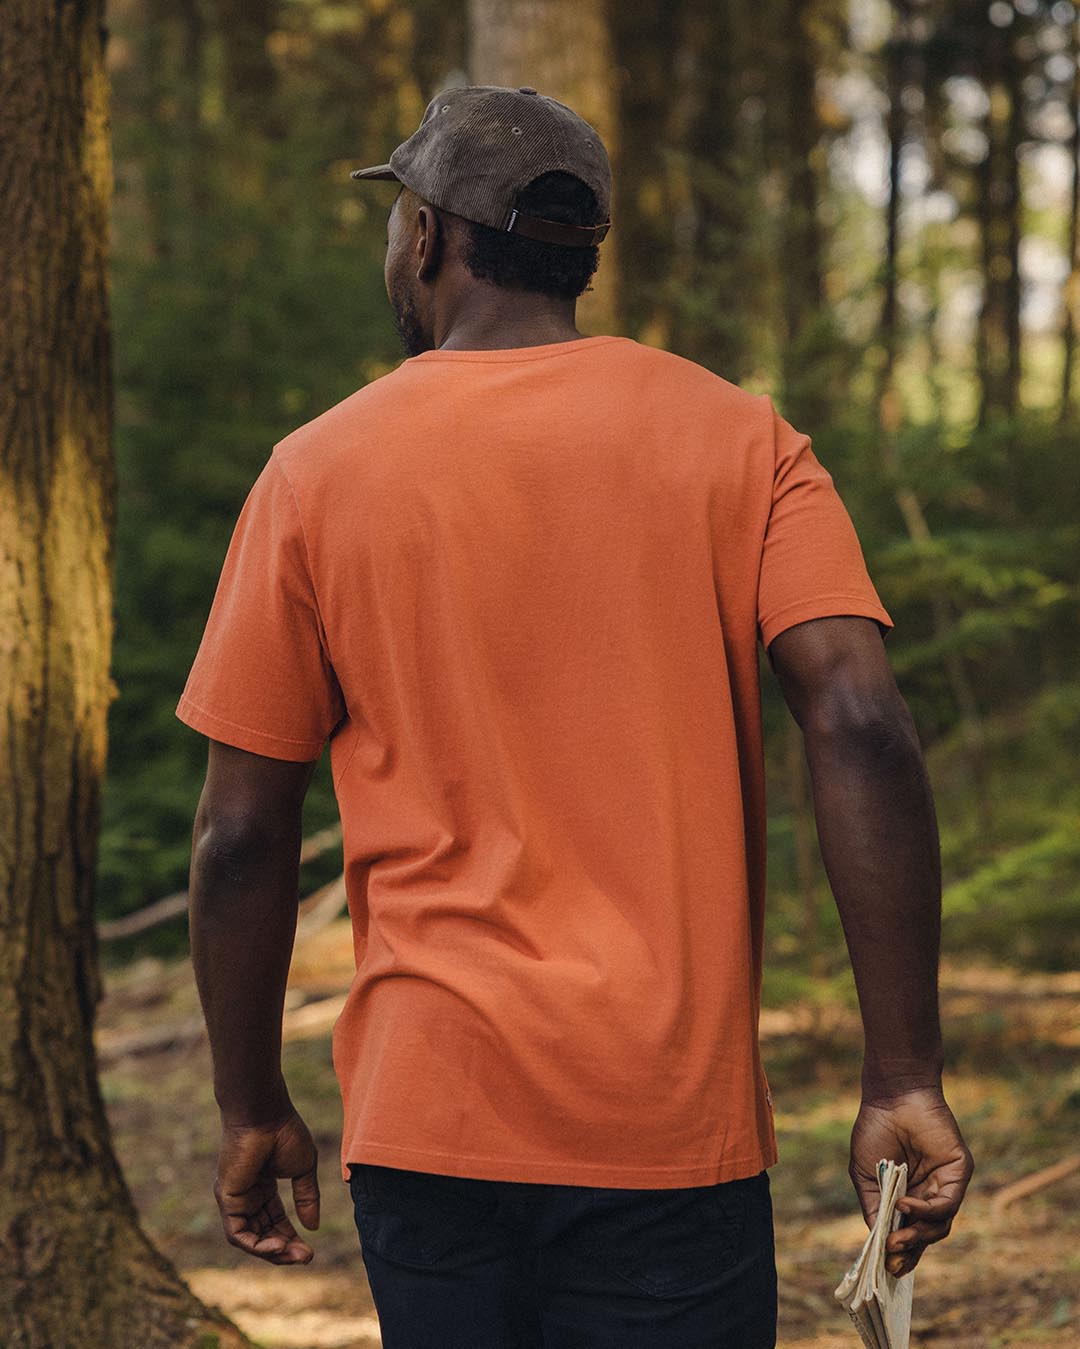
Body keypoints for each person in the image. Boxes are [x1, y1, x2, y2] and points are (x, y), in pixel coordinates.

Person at [177, 83, 974, 1347]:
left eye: (397, 222)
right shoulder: (744, 439)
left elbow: (238, 831)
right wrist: (904, 1074)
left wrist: (250, 1101)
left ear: (429, 238)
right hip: (666, 1121)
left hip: (429, 1113)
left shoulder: (315, 471)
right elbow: (863, 723)